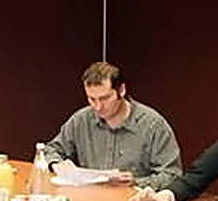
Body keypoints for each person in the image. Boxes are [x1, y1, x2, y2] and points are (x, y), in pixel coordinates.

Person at [42, 61, 182, 189]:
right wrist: (57, 165)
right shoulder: (82, 119)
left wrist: (137, 183)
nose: (98, 107)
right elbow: (50, 150)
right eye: (92, 99)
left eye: (105, 98)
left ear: (121, 90)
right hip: (90, 200)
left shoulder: (152, 125)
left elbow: (172, 175)